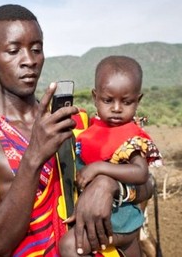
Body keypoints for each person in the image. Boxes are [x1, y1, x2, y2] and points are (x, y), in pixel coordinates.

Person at [0, 4, 154, 256]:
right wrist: (33, 156)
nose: (29, 61)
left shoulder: (78, 122)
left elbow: (147, 184)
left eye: (36, 49)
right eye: (13, 51)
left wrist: (108, 185)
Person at [60, 56, 162, 257]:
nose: (116, 108)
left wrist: (99, 168)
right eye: (108, 100)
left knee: (70, 246)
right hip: (104, 215)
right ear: (95, 97)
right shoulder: (91, 129)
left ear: (138, 101)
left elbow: (141, 173)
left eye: (126, 102)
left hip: (119, 219)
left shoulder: (131, 138)